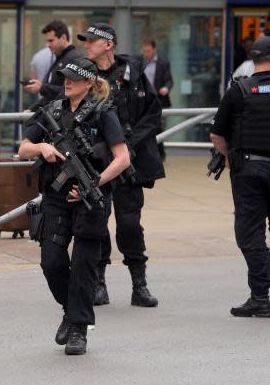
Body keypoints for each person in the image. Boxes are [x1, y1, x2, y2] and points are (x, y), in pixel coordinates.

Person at [19, 58, 131, 355]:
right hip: (56, 198)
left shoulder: (103, 113)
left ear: (89, 82)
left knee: (83, 264)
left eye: (73, 78)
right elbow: (22, 148)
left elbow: (123, 158)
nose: (66, 82)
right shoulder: (52, 110)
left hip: (89, 200)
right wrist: (41, 147)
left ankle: (79, 329)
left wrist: (94, 184)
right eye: (64, 77)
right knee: (51, 261)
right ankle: (71, 311)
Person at [209, 36, 270, 318]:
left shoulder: (239, 90)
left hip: (249, 172)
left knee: (251, 234)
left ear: (255, 60)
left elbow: (217, 133)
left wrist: (229, 157)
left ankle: (260, 297)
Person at [79, 23, 164, 308]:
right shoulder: (84, 74)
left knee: (129, 225)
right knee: (97, 223)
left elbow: (153, 113)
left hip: (129, 161)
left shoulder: (134, 74)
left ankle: (139, 285)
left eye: (92, 41)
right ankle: (99, 284)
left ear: (108, 45)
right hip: (96, 162)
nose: (87, 45)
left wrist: (130, 145)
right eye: (86, 41)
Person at [23, 20, 83, 111]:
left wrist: (42, 88)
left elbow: (70, 92)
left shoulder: (75, 58)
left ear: (63, 38)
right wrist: (32, 110)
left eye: (51, 41)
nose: (48, 45)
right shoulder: (59, 59)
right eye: (47, 41)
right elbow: (50, 96)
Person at [141, 38, 173, 159]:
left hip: (159, 100)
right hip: (144, 101)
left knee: (158, 127)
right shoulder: (140, 63)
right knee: (148, 128)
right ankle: (151, 154)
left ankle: (160, 154)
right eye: (144, 51)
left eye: (148, 51)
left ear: (154, 50)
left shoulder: (163, 63)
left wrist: (166, 88)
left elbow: (169, 80)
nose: (146, 53)